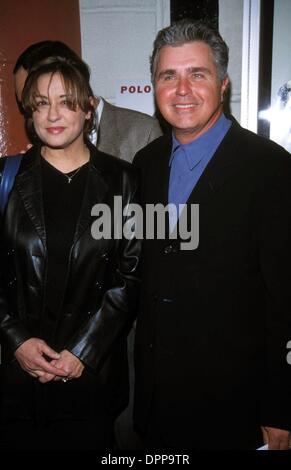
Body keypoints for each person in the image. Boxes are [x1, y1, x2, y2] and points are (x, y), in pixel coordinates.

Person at [133, 19, 291, 450]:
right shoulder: (145, 164)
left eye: (196, 74)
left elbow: (286, 302)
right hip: (156, 404)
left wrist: (281, 410)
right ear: (154, 86)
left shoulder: (271, 169)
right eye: (169, 76)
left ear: (223, 83)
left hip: (234, 410)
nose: (182, 89)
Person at [0, 57, 140, 450]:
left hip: (90, 383)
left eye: (66, 101)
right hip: (17, 381)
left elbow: (130, 277)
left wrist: (82, 352)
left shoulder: (122, 180)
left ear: (88, 107)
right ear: (30, 112)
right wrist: (17, 340)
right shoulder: (6, 179)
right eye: (42, 103)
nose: (53, 114)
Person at [13, 40, 163, 162]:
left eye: (63, 100)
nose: (51, 115)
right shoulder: (31, 158)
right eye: (40, 103)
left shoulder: (144, 132)